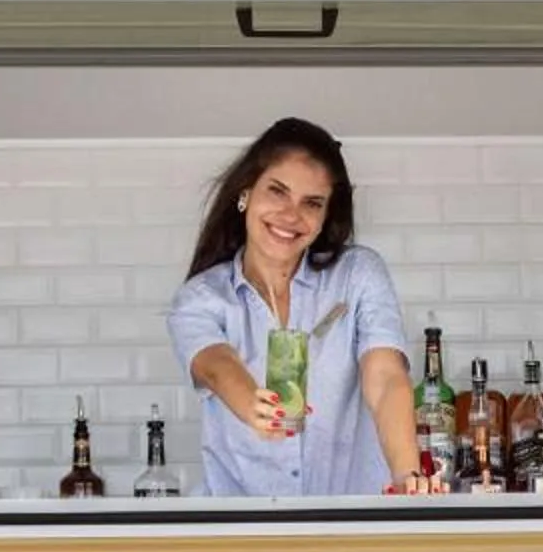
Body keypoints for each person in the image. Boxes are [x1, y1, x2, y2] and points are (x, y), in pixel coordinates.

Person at [166, 118, 435, 496]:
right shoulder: (201, 298)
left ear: (326, 216)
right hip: (239, 532)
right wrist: (251, 403)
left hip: (347, 529)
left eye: (312, 203)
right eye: (277, 191)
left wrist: (408, 477)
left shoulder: (357, 275)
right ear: (245, 193)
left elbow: (386, 377)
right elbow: (214, 366)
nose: (291, 215)